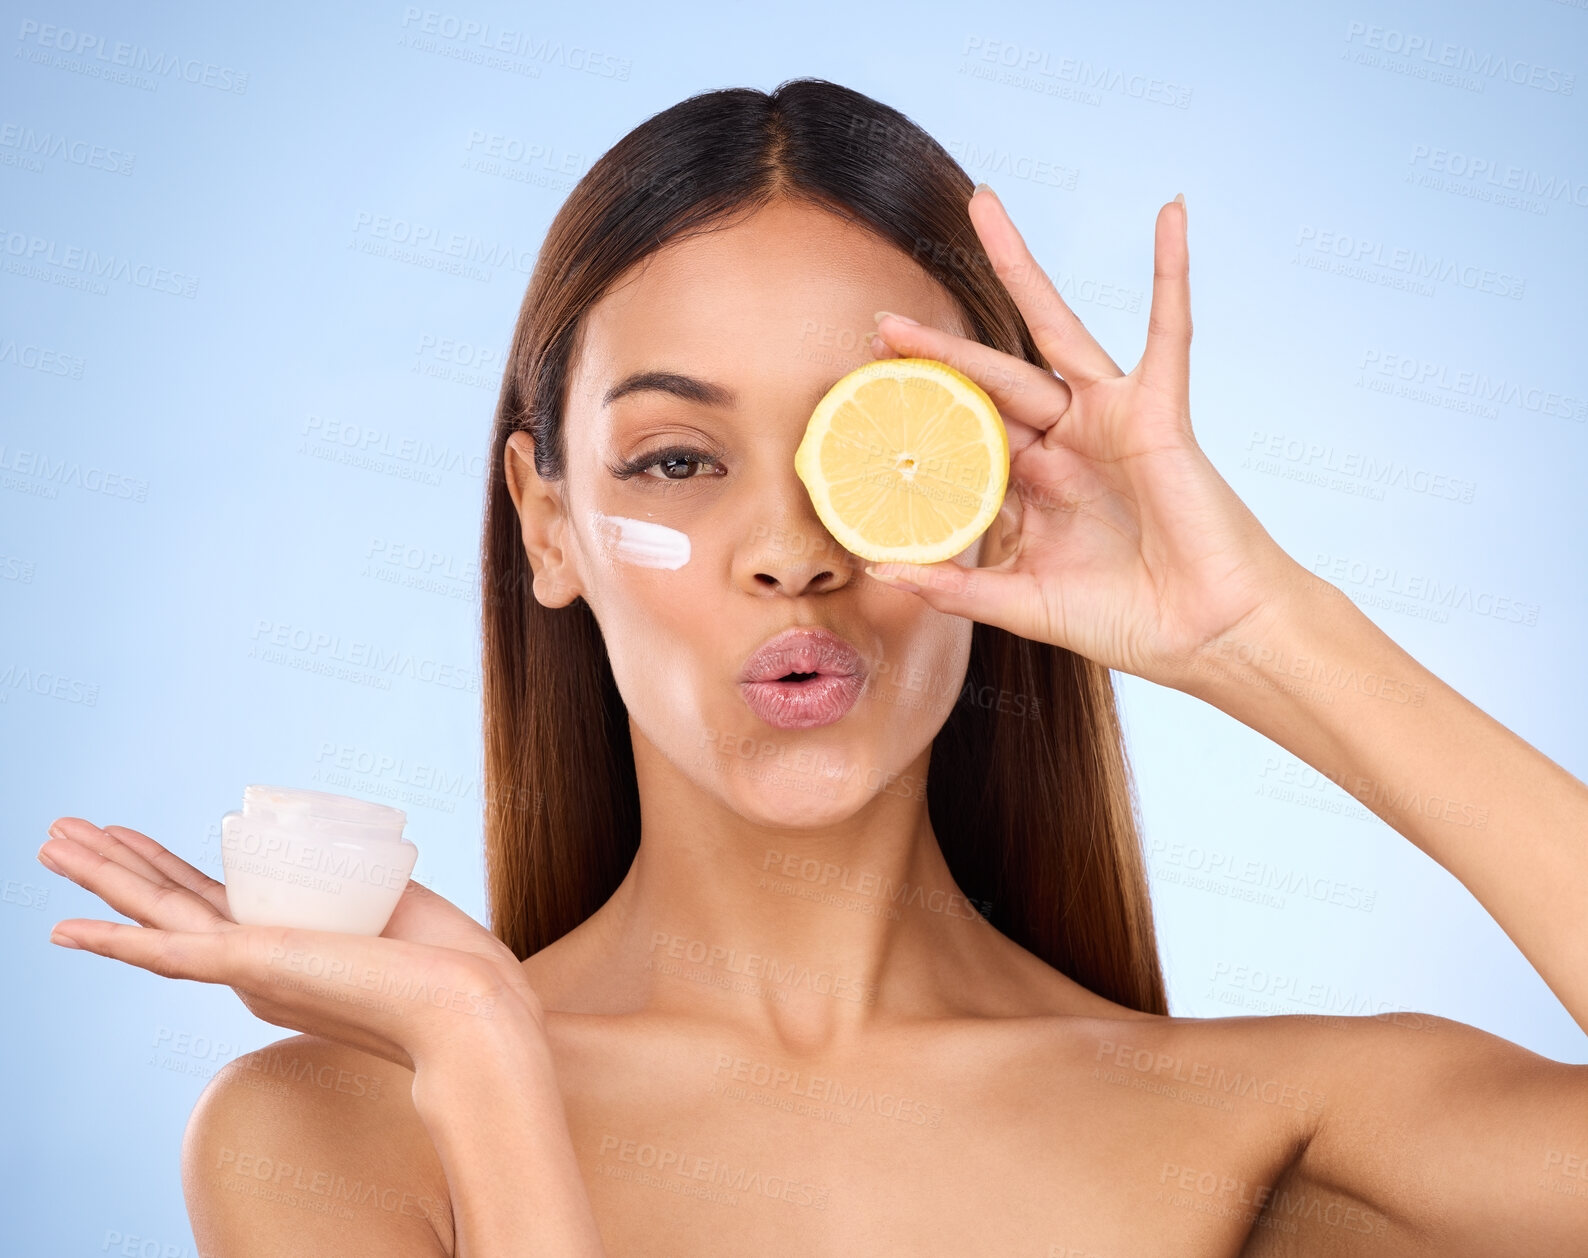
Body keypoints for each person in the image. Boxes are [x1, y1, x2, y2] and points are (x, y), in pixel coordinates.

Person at [37, 78, 1588, 1256]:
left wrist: (1260, 633)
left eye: (870, 454)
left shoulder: (1266, 1130)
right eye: (675, 459)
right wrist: (487, 1057)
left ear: (987, 488)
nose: (792, 553)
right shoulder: (337, 1129)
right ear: (546, 524)